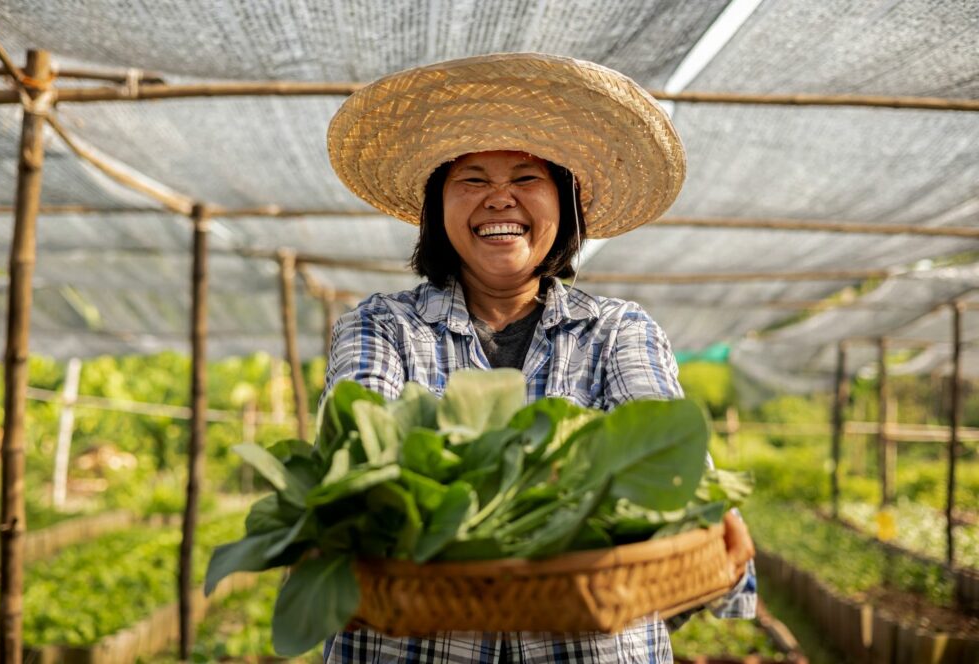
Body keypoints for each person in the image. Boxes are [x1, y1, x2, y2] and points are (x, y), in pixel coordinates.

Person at [321, 52, 756, 663]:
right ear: (436, 209)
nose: (500, 199)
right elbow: (359, 457)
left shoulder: (618, 332)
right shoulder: (381, 327)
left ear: (567, 203)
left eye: (526, 179)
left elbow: (673, 461)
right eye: (472, 179)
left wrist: (712, 540)